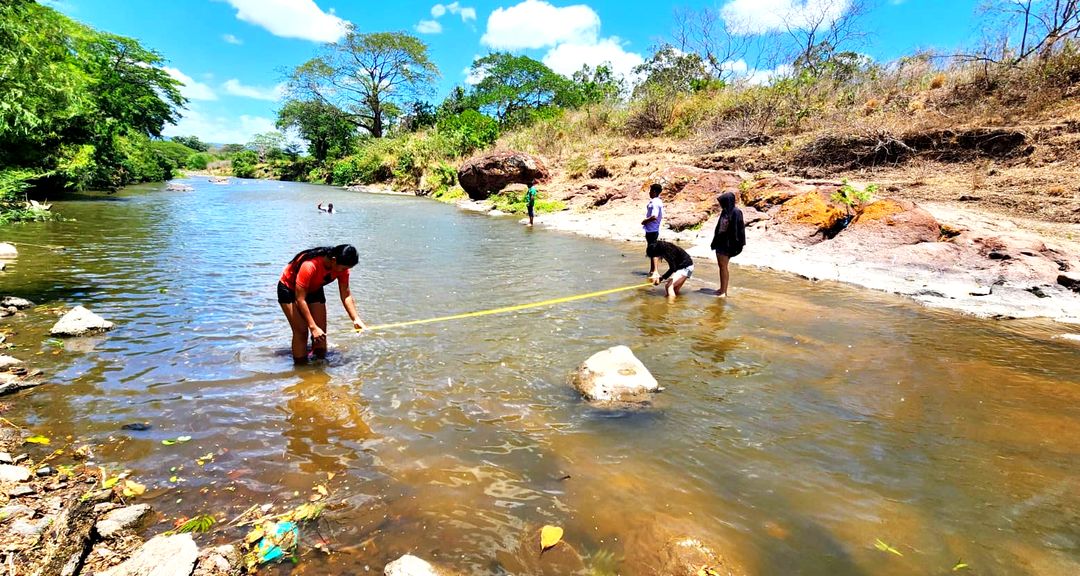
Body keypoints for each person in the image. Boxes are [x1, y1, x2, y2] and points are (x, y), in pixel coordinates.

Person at [277, 244, 366, 364]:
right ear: (333, 260)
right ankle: (301, 367)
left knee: (321, 333)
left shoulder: (342, 268)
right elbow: (300, 299)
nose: (344, 271)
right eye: (343, 268)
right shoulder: (310, 265)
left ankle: (320, 365)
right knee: (302, 332)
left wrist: (355, 319)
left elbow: (346, 295)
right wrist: (313, 327)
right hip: (289, 289)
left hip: (314, 288)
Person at [710, 191, 746, 298]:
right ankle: (722, 288)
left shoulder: (736, 212)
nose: (721, 204)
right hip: (720, 242)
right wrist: (714, 241)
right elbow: (719, 227)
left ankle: (723, 291)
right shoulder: (725, 211)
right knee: (721, 266)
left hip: (728, 243)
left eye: (722, 202)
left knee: (723, 267)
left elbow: (739, 229)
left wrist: (737, 244)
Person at [641, 183, 664, 274]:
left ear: (654, 191)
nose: (649, 193)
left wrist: (645, 221)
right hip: (653, 229)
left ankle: (655, 271)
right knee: (651, 249)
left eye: (650, 191)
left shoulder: (655, 202)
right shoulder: (658, 201)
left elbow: (654, 216)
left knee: (653, 250)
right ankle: (652, 270)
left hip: (652, 229)